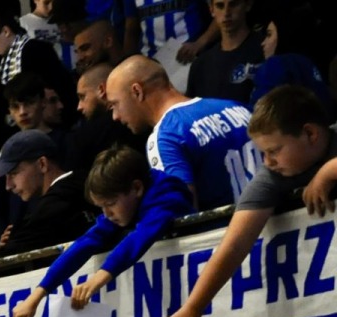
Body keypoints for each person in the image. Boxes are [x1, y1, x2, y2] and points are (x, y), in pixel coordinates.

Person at [156, 85, 337, 317]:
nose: (267, 162)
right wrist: (194, 306)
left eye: (274, 150)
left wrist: (328, 172)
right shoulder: (272, 176)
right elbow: (235, 243)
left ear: (310, 133)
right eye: (262, 153)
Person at [9, 143, 194, 317]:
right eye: (101, 207)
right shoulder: (122, 206)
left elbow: (140, 236)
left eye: (111, 203)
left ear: (136, 188)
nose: (106, 214)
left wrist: (97, 279)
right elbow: (87, 241)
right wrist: (36, 295)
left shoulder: (168, 195)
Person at [107, 55, 260, 209]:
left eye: (115, 104)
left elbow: (181, 213)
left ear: (137, 91)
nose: (115, 116)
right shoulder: (238, 108)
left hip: (225, 230)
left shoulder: (166, 137)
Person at [0, 130, 95, 254]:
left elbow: (7, 258)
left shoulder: (51, 209)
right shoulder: (89, 183)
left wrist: (6, 246)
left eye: (13, 173)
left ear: (42, 164)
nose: (8, 186)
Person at [188, 0, 263, 105]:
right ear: (211, 9)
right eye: (220, 6)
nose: (226, 12)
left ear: (248, 5)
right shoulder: (200, 65)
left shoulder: (265, 50)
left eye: (233, 4)